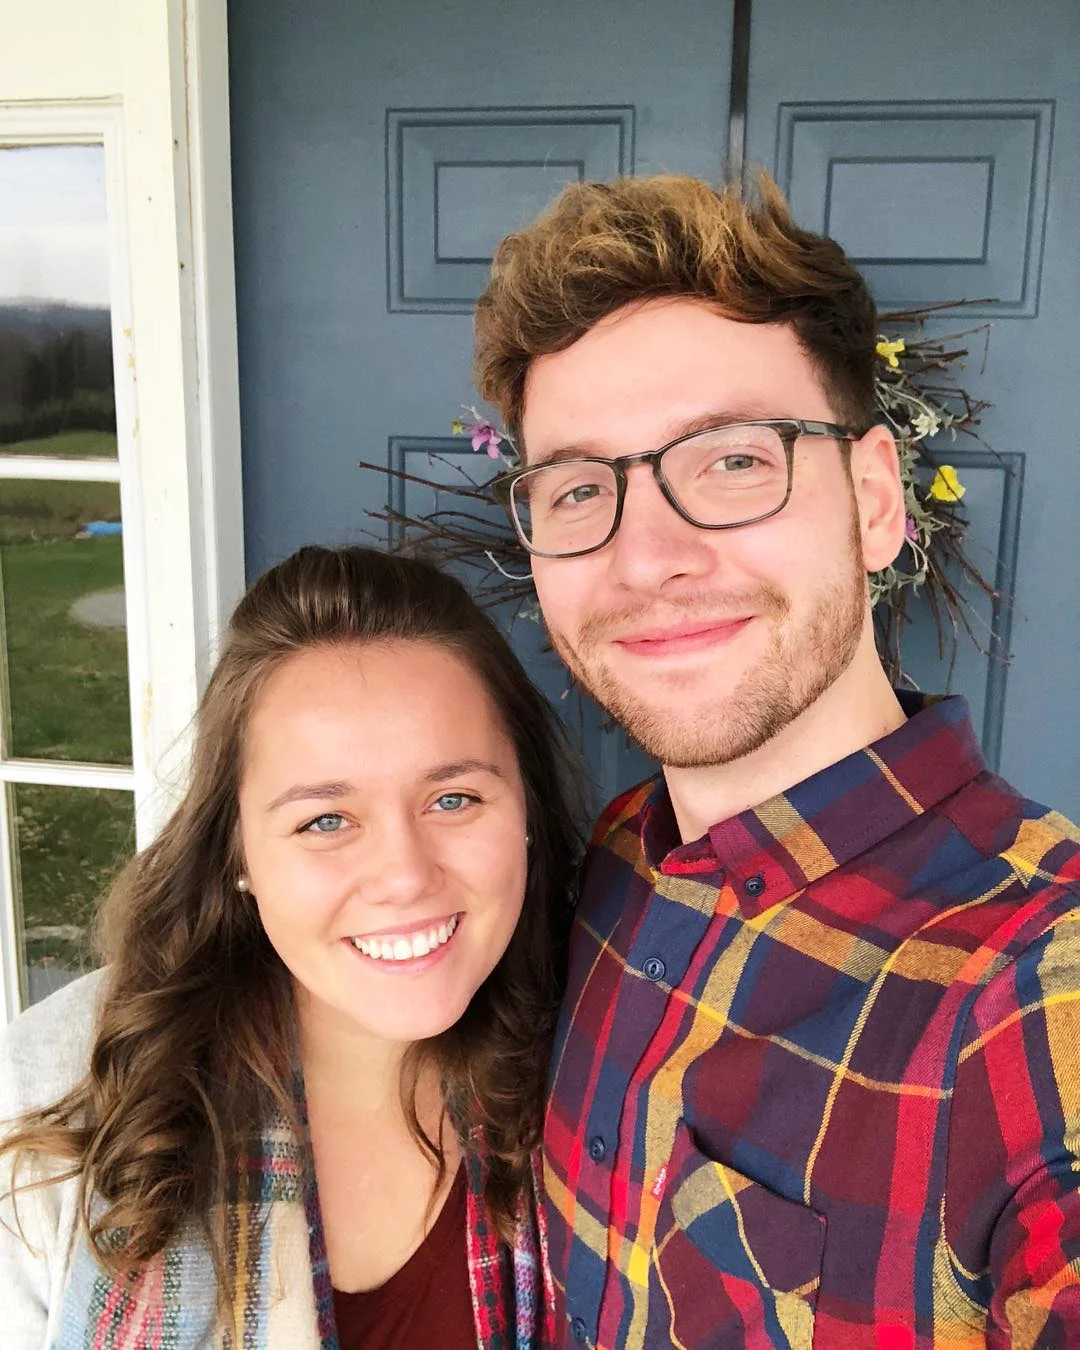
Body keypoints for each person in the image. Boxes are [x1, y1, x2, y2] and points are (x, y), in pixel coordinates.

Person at [474, 174, 1080, 1347]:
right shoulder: (614, 861)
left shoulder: (1029, 992)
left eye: (734, 461)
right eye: (578, 488)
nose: (646, 556)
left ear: (871, 501)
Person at [0, 544, 583, 1349]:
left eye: (453, 798)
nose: (404, 877)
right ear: (237, 851)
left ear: (525, 806)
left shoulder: (609, 1046)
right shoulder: (44, 1105)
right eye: (325, 820)